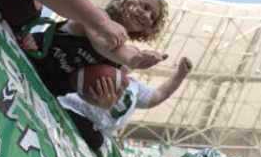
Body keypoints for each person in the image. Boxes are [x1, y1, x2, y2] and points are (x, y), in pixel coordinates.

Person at [26, 0, 169, 98]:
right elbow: (106, 43)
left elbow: (84, 88)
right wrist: (134, 60)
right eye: (145, 7)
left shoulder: (125, 62)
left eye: (152, 17)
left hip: (48, 91)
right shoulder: (97, 16)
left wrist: (103, 101)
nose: (147, 15)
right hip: (27, 59)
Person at [58, 54, 193, 150]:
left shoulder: (135, 87)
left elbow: (159, 94)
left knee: (97, 142)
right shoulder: (99, 65)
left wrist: (180, 75)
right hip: (71, 110)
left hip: (95, 132)